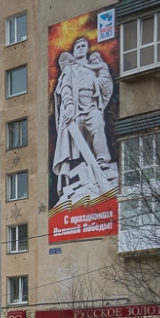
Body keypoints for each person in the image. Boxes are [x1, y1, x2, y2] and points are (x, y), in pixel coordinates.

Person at [52, 37, 117, 202]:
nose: (81, 48)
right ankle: (75, 174)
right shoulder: (70, 69)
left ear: (87, 49)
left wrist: (96, 81)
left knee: (97, 126)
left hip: (91, 106)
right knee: (74, 144)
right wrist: (68, 106)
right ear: (74, 51)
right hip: (74, 110)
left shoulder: (95, 67)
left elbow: (106, 85)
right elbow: (65, 88)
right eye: (78, 46)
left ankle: (102, 161)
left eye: (83, 46)